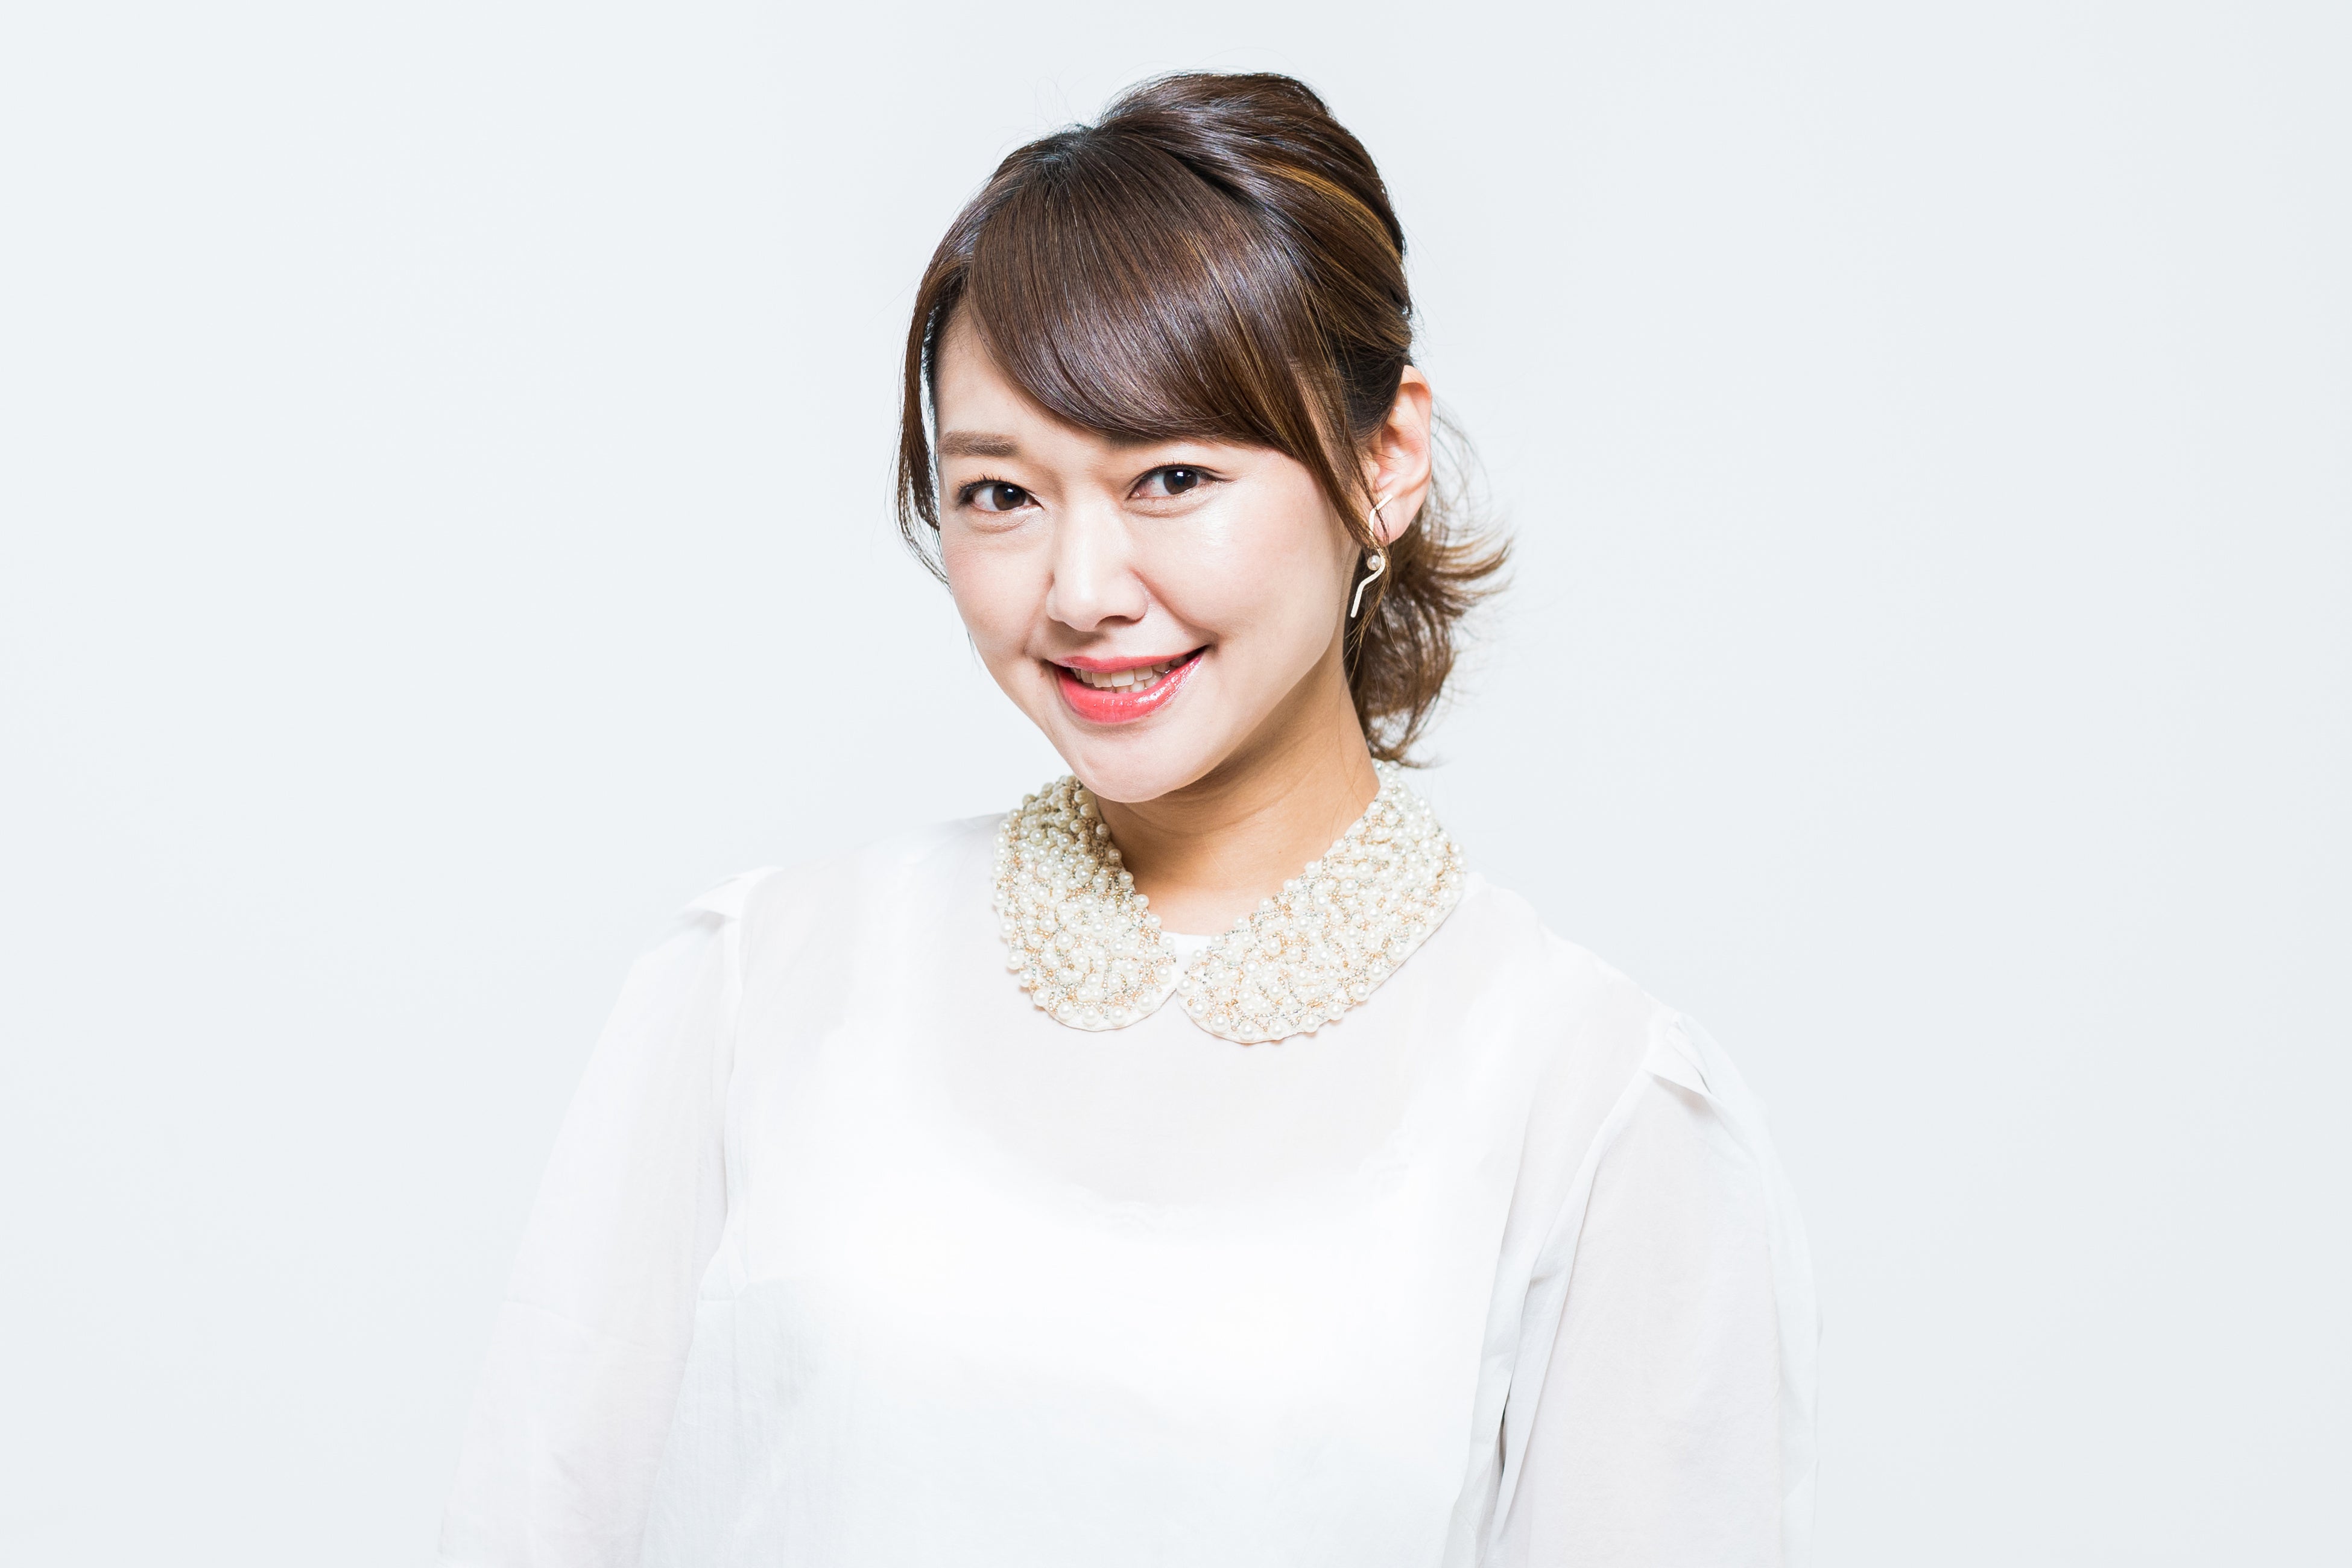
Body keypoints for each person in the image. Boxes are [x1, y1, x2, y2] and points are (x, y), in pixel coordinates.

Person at [438, 71, 1816, 1568]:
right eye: (999, 494)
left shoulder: (1587, 1097)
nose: (1082, 589)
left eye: (1171, 476)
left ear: (1384, 462)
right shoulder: (760, 984)